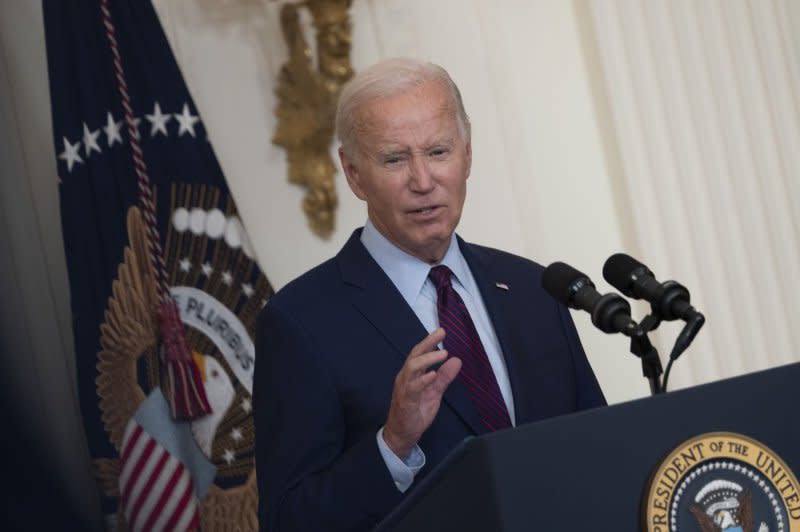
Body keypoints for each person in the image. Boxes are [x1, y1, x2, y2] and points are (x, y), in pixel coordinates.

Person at [254, 58, 606, 532]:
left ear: (467, 155)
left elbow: (598, 450)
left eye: (438, 151)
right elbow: (289, 521)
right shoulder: (299, 322)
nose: (423, 181)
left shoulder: (533, 288)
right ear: (354, 173)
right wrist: (393, 443)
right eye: (395, 159)